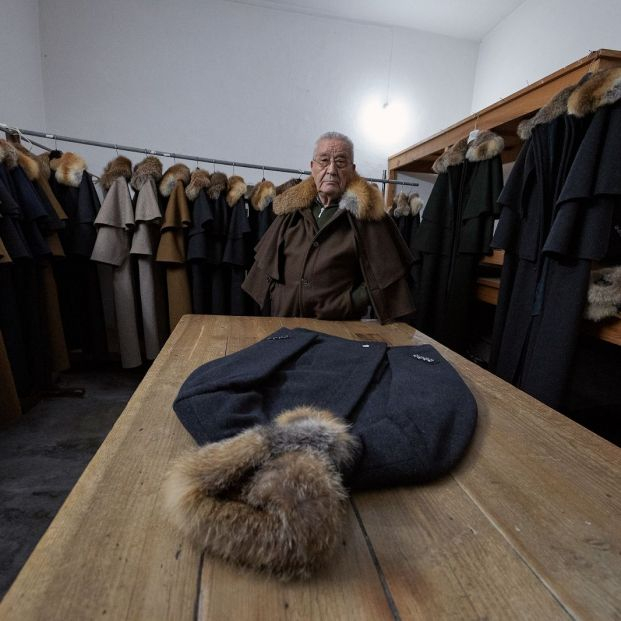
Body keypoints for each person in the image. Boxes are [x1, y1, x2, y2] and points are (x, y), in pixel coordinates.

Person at [242, 132, 415, 322]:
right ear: (312, 167)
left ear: (352, 169)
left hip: (337, 328)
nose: (331, 169)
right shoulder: (292, 212)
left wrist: (347, 303)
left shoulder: (369, 218)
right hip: (284, 323)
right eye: (324, 161)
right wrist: (277, 295)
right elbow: (266, 266)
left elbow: (387, 278)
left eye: (340, 162)